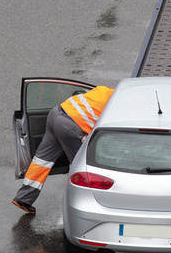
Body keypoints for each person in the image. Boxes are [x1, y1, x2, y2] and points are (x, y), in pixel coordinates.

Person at [12, 85, 115, 214]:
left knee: (42, 161)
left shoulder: (103, 90)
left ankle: (24, 198)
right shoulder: (116, 105)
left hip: (55, 114)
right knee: (81, 167)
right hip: (70, 127)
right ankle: (81, 204)